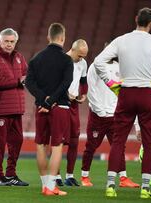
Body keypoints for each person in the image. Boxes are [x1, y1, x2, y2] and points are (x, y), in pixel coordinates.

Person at [94, 7, 151, 198]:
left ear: (136, 19)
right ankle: (145, 188)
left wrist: (110, 83)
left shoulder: (121, 40)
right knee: (149, 143)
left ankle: (110, 186)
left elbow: (99, 62)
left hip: (125, 92)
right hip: (148, 94)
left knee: (118, 141)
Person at [26, 23, 73, 196]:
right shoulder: (67, 60)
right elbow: (66, 83)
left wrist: (43, 100)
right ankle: (52, 186)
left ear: (48, 37)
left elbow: (29, 83)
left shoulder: (36, 59)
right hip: (59, 106)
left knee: (40, 145)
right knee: (57, 146)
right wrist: (51, 101)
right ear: (63, 38)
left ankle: (44, 185)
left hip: (41, 108)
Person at [80, 58, 139, 188]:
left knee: (119, 146)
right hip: (98, 115)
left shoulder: (121, 68)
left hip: (114, 115)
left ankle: (123, 178)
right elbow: (90, 89)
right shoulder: (96, 66)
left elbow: (124, 91)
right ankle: (84, 176)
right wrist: (99, 110)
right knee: (91, 146)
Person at [0, 28, 28, 186]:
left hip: (17, 108)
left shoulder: (19, 57)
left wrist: (24, 79)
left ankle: (11, 174)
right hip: (0, 108)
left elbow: (26, 75)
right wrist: (18, 81)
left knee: (17, 141)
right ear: (0, 41)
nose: (9, 45)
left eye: (12, 42)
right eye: (6, 41)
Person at [55, 39, 88, 187]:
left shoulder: (83, 63)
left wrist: (84, 94)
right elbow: (54, 83)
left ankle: (69, 175)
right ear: (72, 50)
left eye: (83, 56)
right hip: (61, 104)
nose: (81, 59)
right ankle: (55, 175)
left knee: (74, 140)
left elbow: (83, 81)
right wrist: (65, 93)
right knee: (59, 140)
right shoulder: (61, 61)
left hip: (74, 105)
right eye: (79, 55)